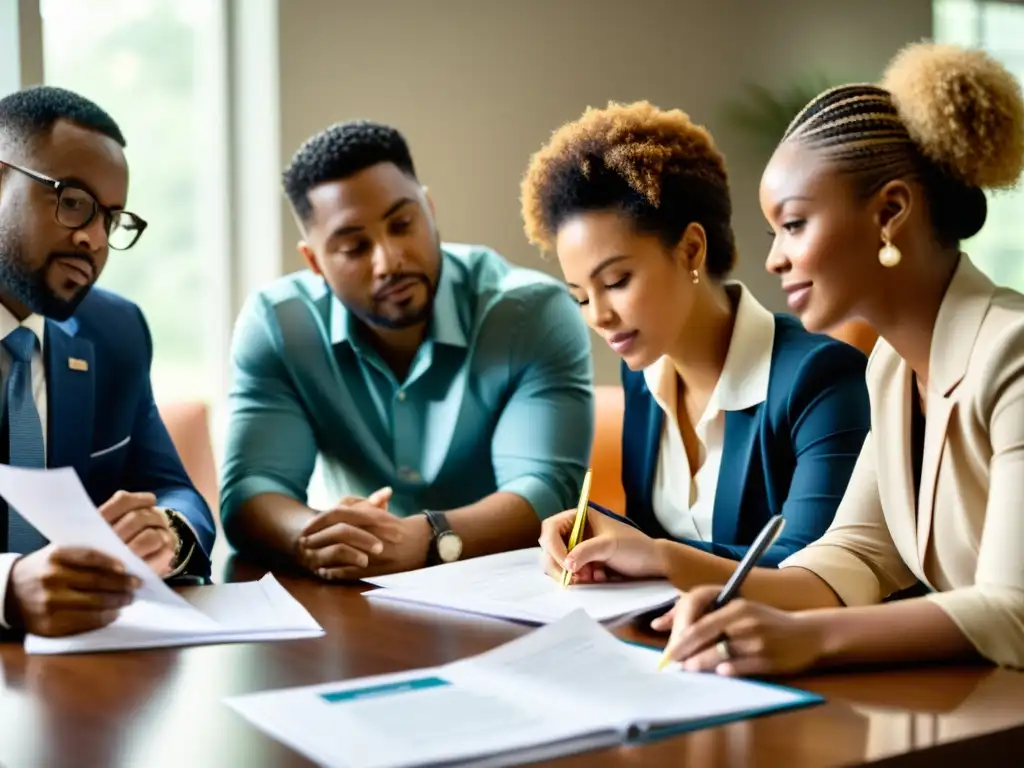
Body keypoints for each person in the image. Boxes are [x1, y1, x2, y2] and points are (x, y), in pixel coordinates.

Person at [570, 43, 1024, 673]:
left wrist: (808, 640)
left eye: (795, 224)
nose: (775, 259)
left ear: (890, 213)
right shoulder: (891, 370)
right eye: (772, 232)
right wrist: (669, 564)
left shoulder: (1012, 356)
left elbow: (1013, 611)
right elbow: (851, 560)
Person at [520, 100, 871, 592]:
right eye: (581, 296)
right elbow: (655, 535)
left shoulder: (823, 379)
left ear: (691, 249)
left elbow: (813, 570)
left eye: (617, 281)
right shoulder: (643, 377)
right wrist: (591, 531)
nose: (598, 316)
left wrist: (657, 556)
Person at [220, 119, 593, 580]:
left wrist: (430, 537)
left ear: (429, 210)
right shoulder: (280, 325)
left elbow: (547, 490)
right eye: (354, 247)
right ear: (315, 261)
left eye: (402, 224)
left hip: (507, 592)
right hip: (355, 603)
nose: (389, 260)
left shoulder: (530, 313)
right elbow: (252, 489)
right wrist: (315, 535)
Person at [0, 86, 216, 637]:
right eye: (73, 201)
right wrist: (8, 589)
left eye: (111, 219)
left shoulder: (115, 332)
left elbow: (176, 491)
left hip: (91, 671)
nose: (93, 239)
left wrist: (165, 531)